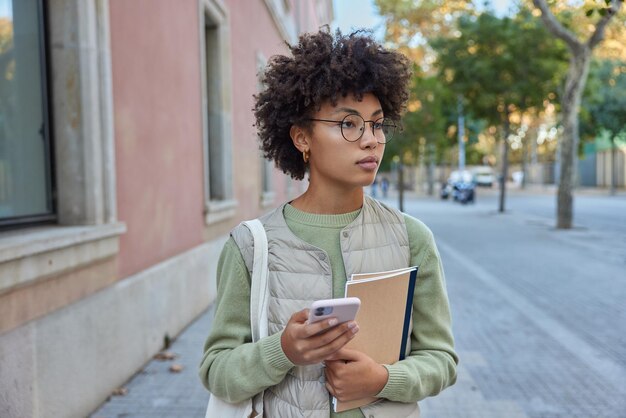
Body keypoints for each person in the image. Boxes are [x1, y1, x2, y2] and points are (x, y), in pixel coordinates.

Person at [199, 28, 457, 418]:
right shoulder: (251, 245)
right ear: (302, 137)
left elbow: (442, 359)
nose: (370, 140)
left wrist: (383, 380)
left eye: (377, 124)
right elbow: (217, 370)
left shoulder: (411, 237)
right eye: (349, 124)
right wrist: (282, 351)